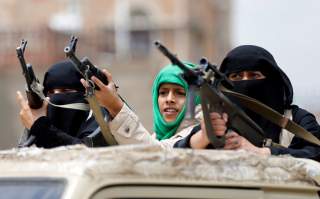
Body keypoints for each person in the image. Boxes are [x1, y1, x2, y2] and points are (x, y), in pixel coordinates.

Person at [175, 45, 320, 160]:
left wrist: (263, 152)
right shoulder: (219, 119)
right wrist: (203, 138)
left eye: (254, 75)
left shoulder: (297, 121)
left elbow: (315, 153)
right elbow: (174, 158)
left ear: (272, 81)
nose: (245, 82)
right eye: (236, 76)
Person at [81, 62, 201, 148]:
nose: (169, 99)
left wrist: (115, 106)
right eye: (163, 93)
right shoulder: (157, 137)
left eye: (180, 93)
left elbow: (158, 157)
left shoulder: (200, 136)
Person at [17, 60, 106, 148]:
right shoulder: (44, 122)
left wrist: (40, 128)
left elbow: (85, 151)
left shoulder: (100, 119)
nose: (56, 97)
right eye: (51, 92)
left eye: (65, 91)